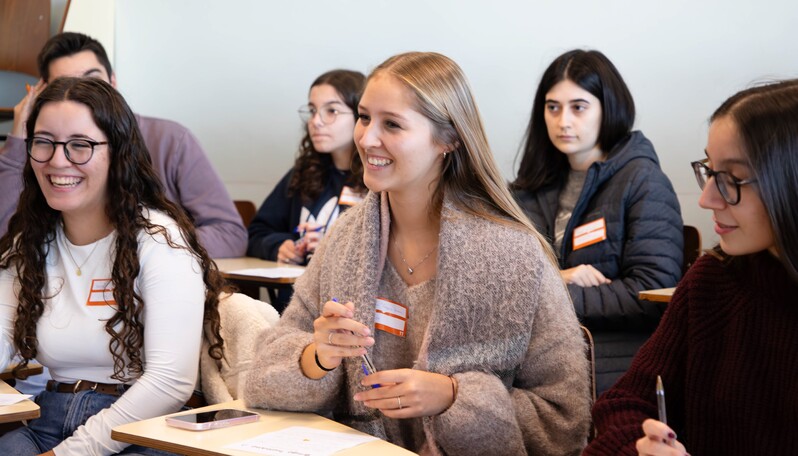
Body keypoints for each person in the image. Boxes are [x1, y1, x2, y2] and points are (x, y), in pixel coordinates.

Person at [245, 52, 591, 455]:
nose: (367, 138)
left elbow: (564, 420)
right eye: (363, 117)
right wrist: (316, 356)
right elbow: (264, 375)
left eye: (391, 124)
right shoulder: (345, 238)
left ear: (448, 139)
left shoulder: (516, 255)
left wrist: (454, 396)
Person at [0, 77, 225, 455]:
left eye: (80, 145)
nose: (57, 160)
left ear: (118, 152)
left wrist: (70, 453)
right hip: (46, 419)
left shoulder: (158, 240)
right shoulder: (31, 241)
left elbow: (170, 383)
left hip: (139, 430)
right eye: (44, 142)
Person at [585, 79, 798, 455]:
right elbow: (624, 403)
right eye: (709, 171)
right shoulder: (714, 281)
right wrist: (638, 446)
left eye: (730, 179)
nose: (706, 198)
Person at [511, 49, 683, 394]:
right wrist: (555, 279)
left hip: (609, 366)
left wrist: (552, 292)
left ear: (608, 108)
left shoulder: (642, 180)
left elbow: (652, 293)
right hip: (533, 357)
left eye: (578, 107)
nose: (563, 121)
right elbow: (500, 278)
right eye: (553, 107)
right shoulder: (530, 186)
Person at [0, 32, 247, 259]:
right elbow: (8, 237)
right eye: (65, 85)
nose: (81, 95)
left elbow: (230, 234)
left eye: (93, 81)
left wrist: (140, 245)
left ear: (113, 81)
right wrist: (19, 138)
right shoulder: (41, 152)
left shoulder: (171, 139)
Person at [247, 69, 367, 266]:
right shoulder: (304, 172)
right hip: (297, 292)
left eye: (332, 111)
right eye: (312, 111)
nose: (316, 122)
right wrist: (280, 246)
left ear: (360, 116)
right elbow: (256, 233)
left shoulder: (378, 179)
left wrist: (331, 249)